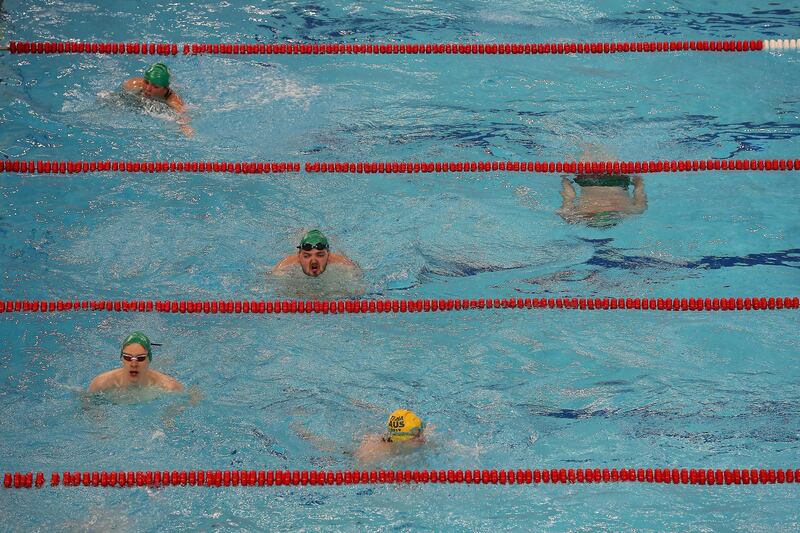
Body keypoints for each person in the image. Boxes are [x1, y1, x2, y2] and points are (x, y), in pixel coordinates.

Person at [88, 331, 183, 393]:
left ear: (149, 359)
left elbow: (192, 396)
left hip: (155, 376)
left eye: (140, 358)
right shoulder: (101, 384)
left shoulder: (168, 386)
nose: (133, 364)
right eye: (128, 357)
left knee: (163, 367)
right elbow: (86, 404)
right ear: (122, 358)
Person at [122, 62, 193, 137]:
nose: (148, 88)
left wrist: (184, 126)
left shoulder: (174, 101)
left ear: (166, 88)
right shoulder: (133, 84)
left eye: (155, 86)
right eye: (146, 82)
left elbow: (183, 117)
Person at [558, 173, 647, 227]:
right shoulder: (580, 213)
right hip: (588, 180)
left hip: (618, 180)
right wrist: (565, 179)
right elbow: (568, 197)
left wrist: (638, 179)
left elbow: (639, 188)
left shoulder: (632, 210)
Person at [273, 229, 359, 278]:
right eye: (307, 256)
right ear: (299, 256)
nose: (313, 261)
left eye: (320, 255)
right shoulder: (284, 267)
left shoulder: (344, 264)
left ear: (328, 255)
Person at [354, 409, 426, 463]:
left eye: (421, 431)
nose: (422, 438)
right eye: (416, 436)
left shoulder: (420, 438)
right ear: (401, 439)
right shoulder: (371, 454)